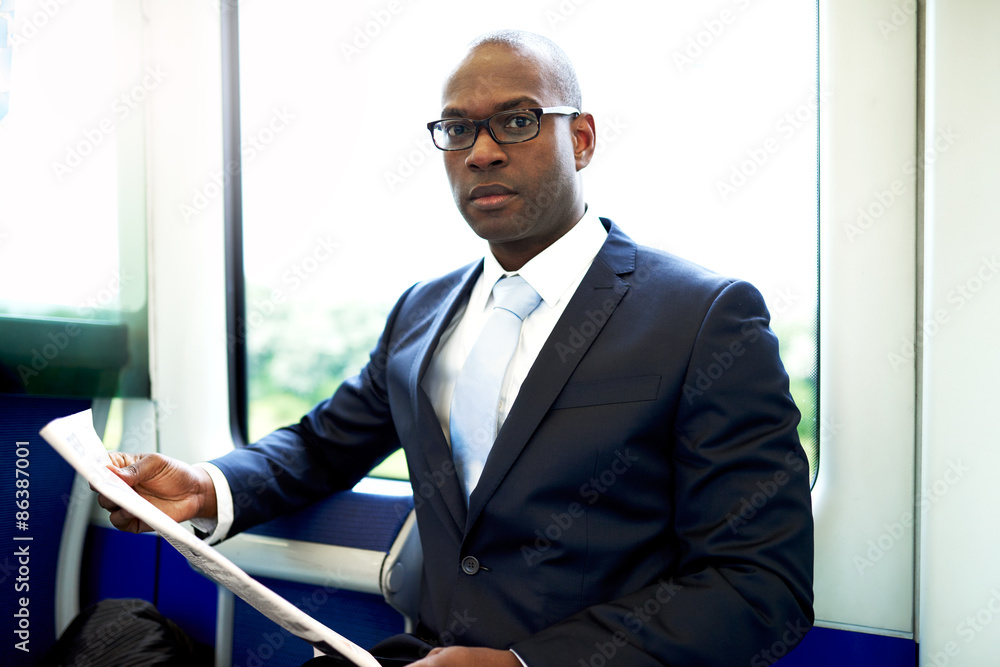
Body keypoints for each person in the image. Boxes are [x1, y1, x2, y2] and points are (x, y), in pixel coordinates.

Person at [98, 30, 814, 667]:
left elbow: (759, 585)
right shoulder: (422, 309)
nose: (483, 151)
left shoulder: (703, 317)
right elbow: (323, 446)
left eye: (517, 120)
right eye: (459, 129)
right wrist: (202, 486)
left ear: (584, 139)